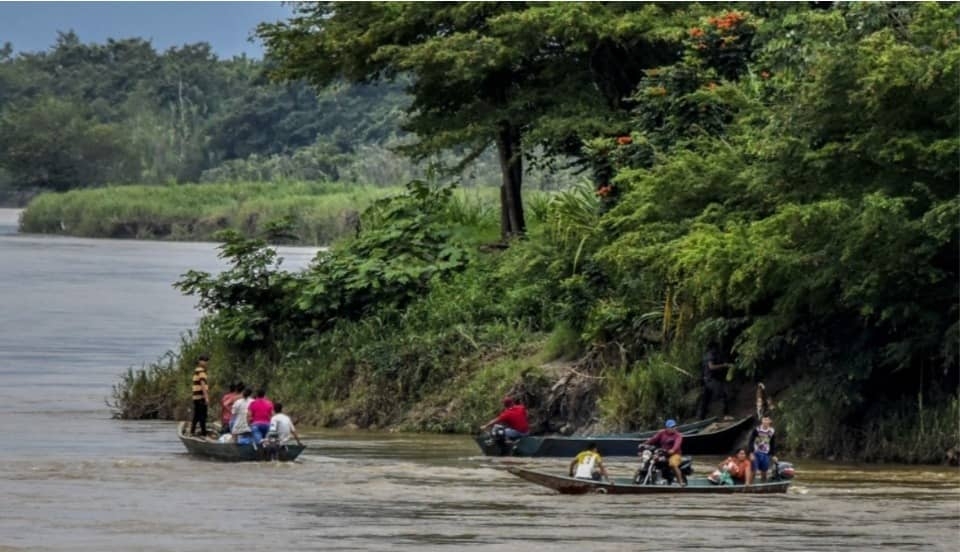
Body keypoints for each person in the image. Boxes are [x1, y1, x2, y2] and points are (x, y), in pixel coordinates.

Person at [698, 343, 734, 419]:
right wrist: (724, 365)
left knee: (705, 400)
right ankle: (726, 415)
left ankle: (700, 418)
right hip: (711, 380)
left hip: (706, 380)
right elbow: (711, 367)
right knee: (723, 395)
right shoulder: (711, 355)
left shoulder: (706, 355)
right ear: (713, 348)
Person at [644, 419, 685, 486]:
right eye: (671, 427)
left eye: (674, 426)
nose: (673, 428)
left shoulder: (678, 435)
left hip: (675, 454)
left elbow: (677, 444)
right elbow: (653, 439)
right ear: (667, 428)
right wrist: (644, 444)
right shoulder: (661, 433)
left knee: (673, 464)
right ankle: (655, 478)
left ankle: (680, 482)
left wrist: (672, 450)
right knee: (652, 460)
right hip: (663, 453)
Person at [748, 415, 777, 482]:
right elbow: (751, 441)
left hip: (765, 453)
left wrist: (773, 455)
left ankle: (763, 485)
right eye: (764, 420)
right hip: (756, 452)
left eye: (767, 420)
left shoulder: (772, 431)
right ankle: (749, 485)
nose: (765, 422)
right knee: (754, 470)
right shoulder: (757, 429)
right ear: (762, 421)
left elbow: (772, 443)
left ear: (770, 421)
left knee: (764, 471)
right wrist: (751, 453)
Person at [189, 354, 210, 437]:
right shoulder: (201, 371)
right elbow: (203, 385)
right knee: (202, 416)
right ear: (200, 361)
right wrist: (206, 397)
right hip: (200, 397)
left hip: (196, 397)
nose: (206, 363)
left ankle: (192, 431)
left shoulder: (196, 370)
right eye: (204, 361)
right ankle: (204, 433)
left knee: (196, 415)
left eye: (206, 361)